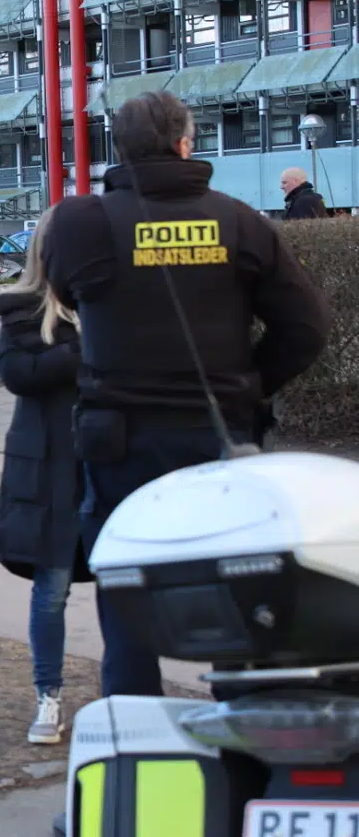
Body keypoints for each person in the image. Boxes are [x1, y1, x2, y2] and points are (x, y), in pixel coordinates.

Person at [43, 90, 331, 699]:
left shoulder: (79, 223)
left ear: (117, 150)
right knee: (233, 590)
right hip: (218, 438)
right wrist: (249, 384)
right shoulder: (241, 221)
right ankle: (241, 745)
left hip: (118, 444)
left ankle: (140, 745)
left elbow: (67, 295)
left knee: (125, 604)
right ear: (184, 144)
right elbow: (307, 329)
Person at [0, 209, 87, 746]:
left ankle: (131, 694)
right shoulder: (22, 311)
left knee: (126, 587)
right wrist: (83, 351)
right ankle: (48, 696)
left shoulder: (109, 304)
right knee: (51, 591)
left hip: (106, 461)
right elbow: (18, 375)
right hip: (50, 467)